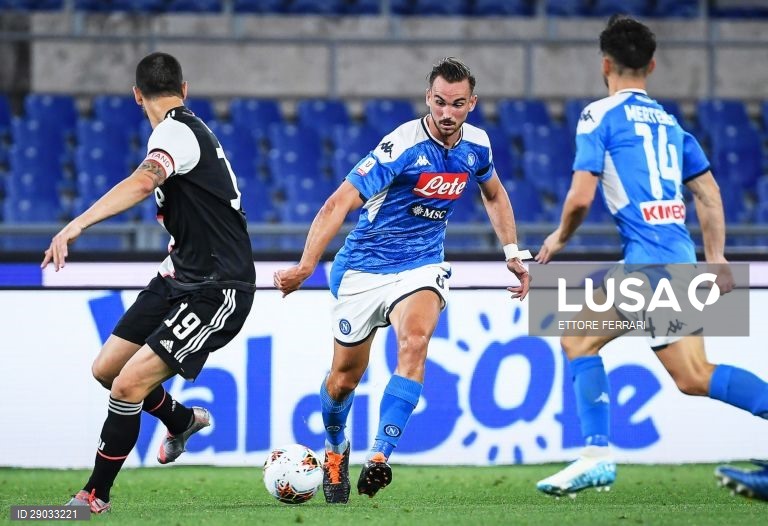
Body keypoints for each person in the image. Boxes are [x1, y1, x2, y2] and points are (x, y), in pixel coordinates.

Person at [274, 57, 531, 503]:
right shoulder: (401, 145)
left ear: (472, 103)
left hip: (422, 264)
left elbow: (494, 194)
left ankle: (380, 456)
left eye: (456, 104)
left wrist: (511, 252)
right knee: (343, 381)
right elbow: (338, 203)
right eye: (438, 102)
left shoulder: (478, 147)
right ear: (427, 98)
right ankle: (336, 450)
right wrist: (305, 265)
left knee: (414, 341)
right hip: (363, 269)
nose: (446, 113)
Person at [534, 15, 768, 497]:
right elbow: (708, 192)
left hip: (651, 265)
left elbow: (580, 198)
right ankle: (596, 456)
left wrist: (558, 239)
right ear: (652, 65)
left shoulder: (598, 116)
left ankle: (597, 455)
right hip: (671, 258)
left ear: (605, 65)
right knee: (592, 344)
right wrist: (717, 257)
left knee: (689, 374)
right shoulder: (671, 123)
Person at [43, 52, 256, 513]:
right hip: (179, 274)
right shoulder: (182, 131)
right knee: (106, 370)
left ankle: (93, 496)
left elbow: (144, 182)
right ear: (185, 88)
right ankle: (180, 420)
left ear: (137, 95)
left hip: (218, 287)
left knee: (127, 387)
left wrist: (75, 225)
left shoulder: (175, 132)